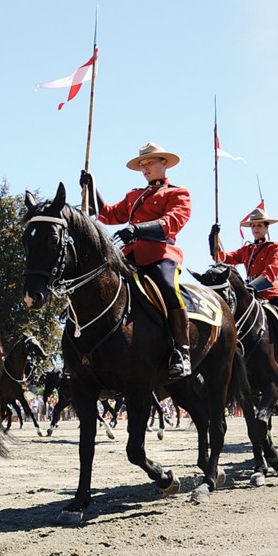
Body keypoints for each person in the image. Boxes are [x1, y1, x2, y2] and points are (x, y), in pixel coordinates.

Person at [81, 142, 193, 379]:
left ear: (164, 163)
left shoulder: (177, 193)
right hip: (128, 257)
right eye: (142, 164)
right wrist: (92, 188)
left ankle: (182, 352)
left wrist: (138, 230)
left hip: (160, 255)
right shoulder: (134, 195)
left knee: (168, 288)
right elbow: (108, 214)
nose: (144, 168)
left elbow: (171, 223)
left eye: (149, 162)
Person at [210, 209, 278, 372]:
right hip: (251, 295)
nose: (255, 229)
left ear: (267, 228)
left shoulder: (274, 247)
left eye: (259, 225)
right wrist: (213, 239)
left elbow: (272, 271)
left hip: (271, 292)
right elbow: (222, 258)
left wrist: (252, 287)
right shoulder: (246, 250)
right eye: (253, 226)